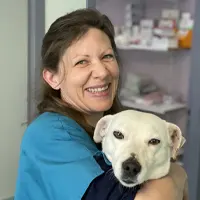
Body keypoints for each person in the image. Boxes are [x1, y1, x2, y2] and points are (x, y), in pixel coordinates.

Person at [14, 8, 188, 200]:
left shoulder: (113, 122)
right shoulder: (47, 135)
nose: (102, 72)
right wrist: (178, 175)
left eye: (107, 57)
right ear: (52, 77)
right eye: (82, 62)